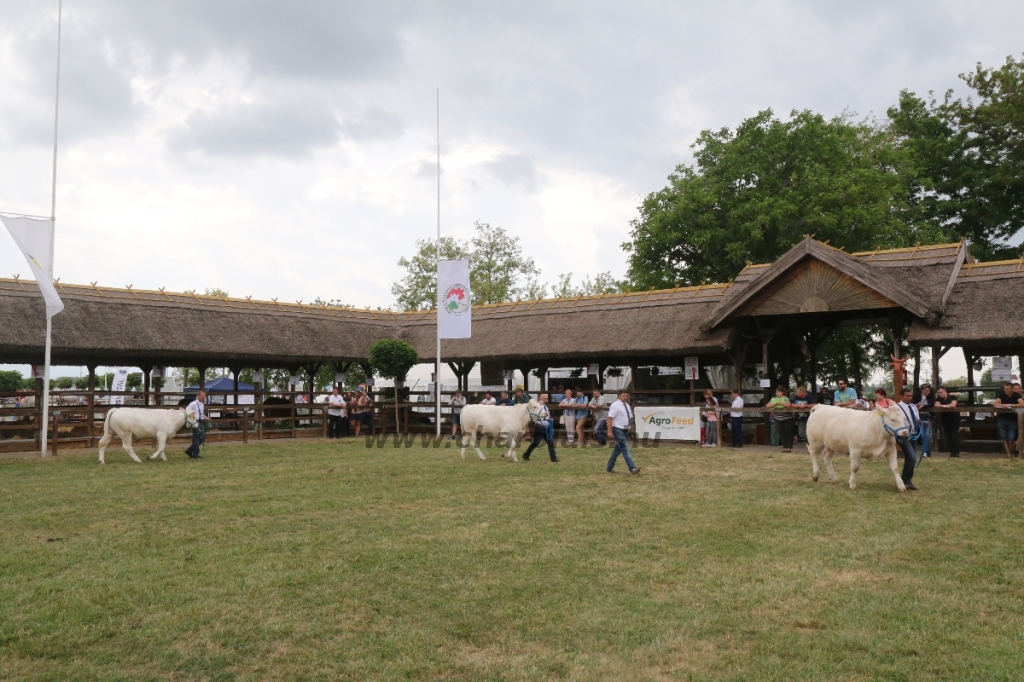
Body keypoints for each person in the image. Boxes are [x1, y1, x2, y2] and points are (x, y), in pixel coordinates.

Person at [606, 390, 639, 474]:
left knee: (617, 449)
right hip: (617, 429)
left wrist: (629, 426)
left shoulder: (627, 406)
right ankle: (632, 468)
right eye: (624, 395)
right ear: (619, 396)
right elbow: (610, 418)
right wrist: (609, 431)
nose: (625, 397)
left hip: (624, 429)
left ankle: (610, 467)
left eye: (626, 395)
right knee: (625, 448)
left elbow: (630, 417)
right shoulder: (615, 406)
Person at [895, 388, 921, 490]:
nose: (910, 398)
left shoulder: (913, 406)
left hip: (914, 434)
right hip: (903, 436)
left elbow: (916, 418)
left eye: (911, 396)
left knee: (911, 458)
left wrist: (921, 422)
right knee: (912, 457)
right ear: (901, 396)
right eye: (907, 396)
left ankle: (906, 479)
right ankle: (906, 480)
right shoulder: (897, 408)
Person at [522, 393, 559, 462]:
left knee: (550, 443)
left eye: (547, 398)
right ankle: (526, 455)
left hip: (546, 428)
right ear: (541, 399)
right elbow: (534, 417)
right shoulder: (537, 407)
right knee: (535, 443)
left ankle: (553, 458)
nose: (546, 400)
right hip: (539, 428)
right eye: (545, 398)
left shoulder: (546, 407)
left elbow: (548, 416)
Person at [992, 381, 1024, 458]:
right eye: (1005, 389)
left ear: (1011, 389)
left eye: (1007, 389)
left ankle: (1012, 452)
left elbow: (1022, 404)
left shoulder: (1016, 395)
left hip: (1012, 419)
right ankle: (1009, 455)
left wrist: (1009, 405)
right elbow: (995, 404)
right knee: (1004, 438)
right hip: (1002, 418)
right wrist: (1003, 405)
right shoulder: (1002, 395)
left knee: (1011, 439)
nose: (1005, 390)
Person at [934, 386, 961, 458]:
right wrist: (946, 406)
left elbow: (953, 405)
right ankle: (952, 453)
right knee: (948, 437)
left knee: (954, 436)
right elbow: (936, 405)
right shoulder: (939, 399)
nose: (940, 394)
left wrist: (943, 406)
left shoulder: (952, 397)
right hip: (945, 420)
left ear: (945, 391)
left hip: (954, 419)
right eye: (938, 393)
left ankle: (956, 452)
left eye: (941, 392)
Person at [184, 390, 212, 459]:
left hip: (201, 422)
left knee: (201, 438)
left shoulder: (202, 404)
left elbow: (200, 414)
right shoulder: (193, 404)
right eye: (203, 396)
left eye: (204, 396)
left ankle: (190, 450)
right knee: (197, 438)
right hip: (196, 422)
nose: (204, 398)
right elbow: (187, 411)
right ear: (199, 396)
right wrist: (193, 418)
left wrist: (206, 417)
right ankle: (195, 454)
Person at [767, 386, 795, 452]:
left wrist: (780, 402)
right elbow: (767, 405)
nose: (777, 393)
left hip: (788, 418)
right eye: (776, 392)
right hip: (778, 418)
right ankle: (784, 447)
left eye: (778, 392)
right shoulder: (773, 399)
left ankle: (789, 447)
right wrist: (775, 404)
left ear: (782, 392)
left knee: (789, 433)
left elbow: (788, 405)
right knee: (782, 433)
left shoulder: (786, 398)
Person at [914, 384, 936, 458]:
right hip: (919, 416)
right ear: (922, 390)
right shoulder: (917, 395)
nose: (928, 392)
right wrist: (918, 405)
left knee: (927, 434)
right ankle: (926, 452)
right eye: (926, 390)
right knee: (923, 434)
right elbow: (913, 403)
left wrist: (923, 406)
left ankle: (926, 452)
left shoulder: (930, 395)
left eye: (929, 390)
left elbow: (932, 403)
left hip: (928, 415)